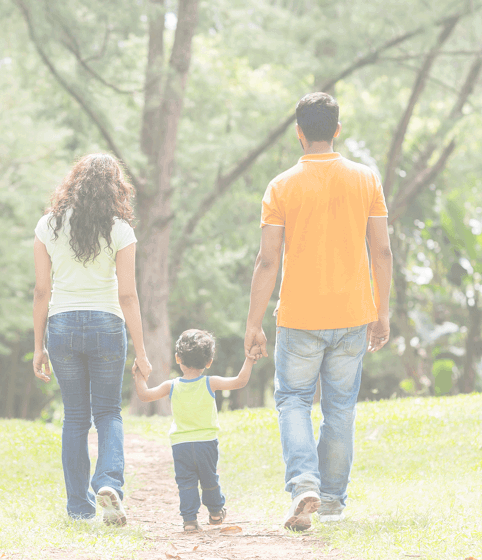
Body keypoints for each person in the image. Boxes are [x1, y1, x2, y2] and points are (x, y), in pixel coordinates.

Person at [243, 92, 393, 531]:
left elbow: (267, 260)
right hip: (352, 314)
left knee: (292, 400)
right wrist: (381, 311)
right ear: (337, 130)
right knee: (340, 408)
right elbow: (381, 250)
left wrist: (254, 322)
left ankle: (304, 482)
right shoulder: (366, 180)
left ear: (299, 133)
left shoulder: (282, 186)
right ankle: (330, 503)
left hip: (300, 316)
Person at [32, 153, 153, 526]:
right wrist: (142, 352)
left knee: (75, 418)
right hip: (106, 326)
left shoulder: (47, 226)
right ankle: (108, 483)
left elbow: (41, 291)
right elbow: (128, 295)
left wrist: (39, 346)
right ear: (116, 188)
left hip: (62, 326)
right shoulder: (120, 230)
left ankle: (79, 508)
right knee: (108, 412)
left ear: (75, 183)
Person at [132, 329, 254, 532]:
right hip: (206, 443)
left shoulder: (171, 385)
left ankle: (189, 520)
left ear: (177, 358)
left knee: (186, 482)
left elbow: (144, 395)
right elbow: (240, 380)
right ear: (209, 362)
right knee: (209, 478)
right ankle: (215, 513)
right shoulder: (210, 382)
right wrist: (249, 359)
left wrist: (138, 374)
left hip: (181, 445)